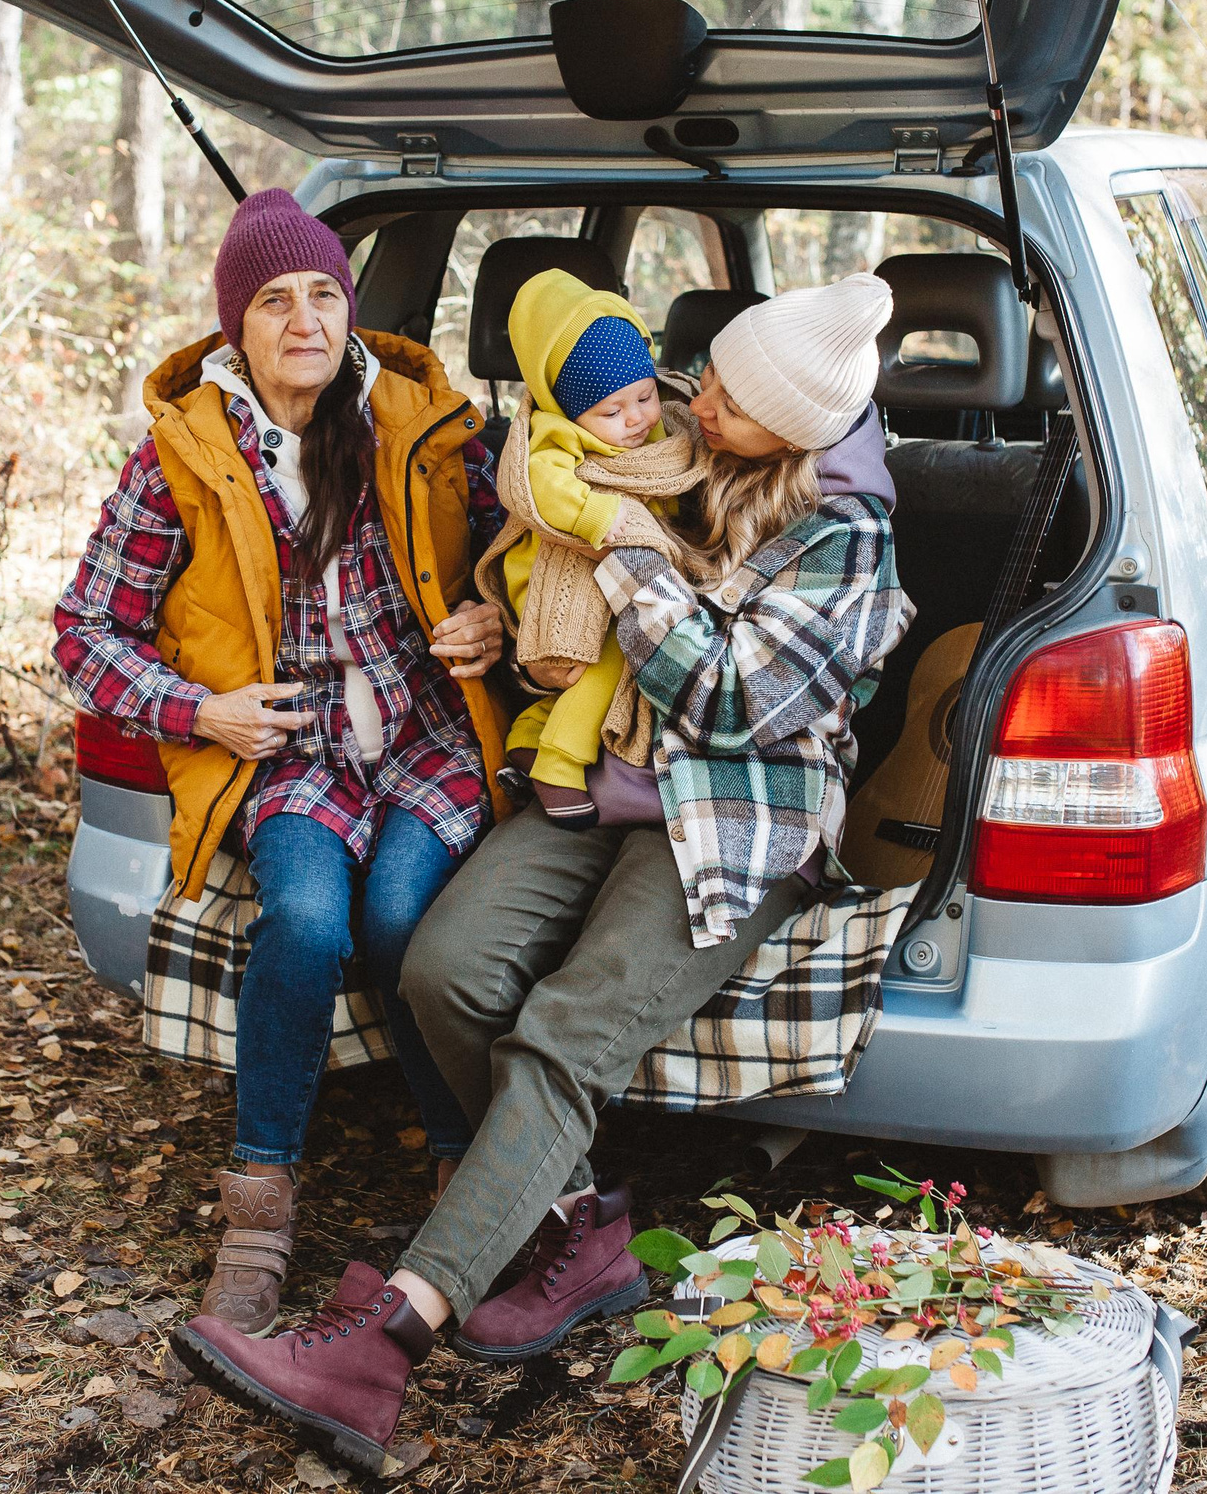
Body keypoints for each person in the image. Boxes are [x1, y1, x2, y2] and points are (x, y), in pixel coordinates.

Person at [172, 273, 915, 1471]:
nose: (695, 397)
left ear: (789, 428)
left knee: (565, 1031)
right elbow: (544, 568)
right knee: (445, 966)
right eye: (705, 377)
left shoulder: (848, 539)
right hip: (593, 781)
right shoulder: (669, 439)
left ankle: (385, 1341)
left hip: (731, 814)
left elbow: (727, 702)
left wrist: (624, 549)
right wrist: (503, 614)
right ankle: (585, 1231)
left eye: (728, 396)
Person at [51, 188, 509, 1338]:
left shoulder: (423, 421)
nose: (305, 320)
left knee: (403, 920)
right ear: (234, 326)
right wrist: (202, 709)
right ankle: (256, 1218)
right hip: (295, 746)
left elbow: (520, 551)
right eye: (273, 300)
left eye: (321, 293)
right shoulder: (183, 458)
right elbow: (85, 632)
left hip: (426, 734)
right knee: (303, 920)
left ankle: (463, 1176)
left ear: (347, 306)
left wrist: (493, 615)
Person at [482, 269, 704, 828]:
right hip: (557, 572)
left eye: (645, 396)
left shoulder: (660, 428)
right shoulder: (553, 434)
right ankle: (560, 762)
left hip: (618, 566)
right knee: (617, 652)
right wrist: (598, 513)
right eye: (610, 411)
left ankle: (530, 735)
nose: (636, 418)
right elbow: (541, 485)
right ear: (569, 410)